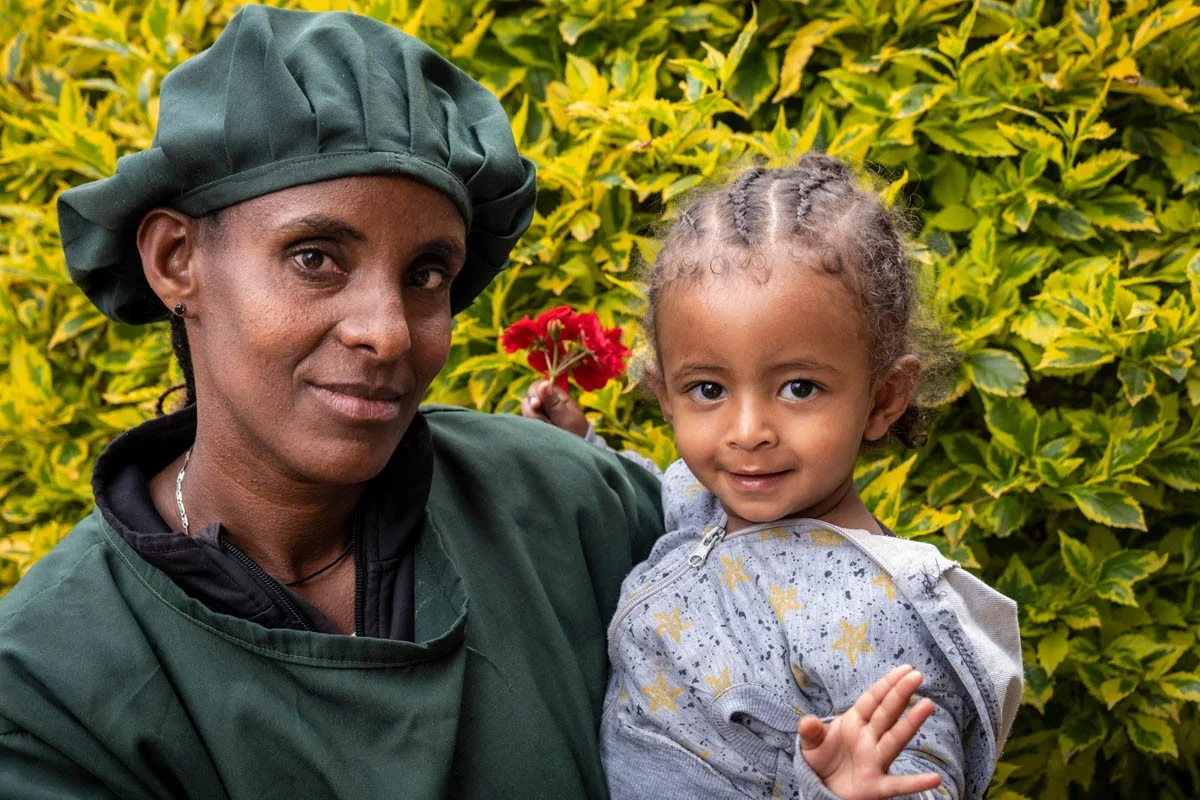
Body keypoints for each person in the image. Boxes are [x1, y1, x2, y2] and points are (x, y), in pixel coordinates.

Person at [0, 8, 934, 799]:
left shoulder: (565, 506)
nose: (389, 332)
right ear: (177, 262)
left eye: (427, 273)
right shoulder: (56, 682)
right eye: (315, 258)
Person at [522, 155, 1024, 799]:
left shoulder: (876, 609)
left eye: (798, 387)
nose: (748, 430)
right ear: (665, 395)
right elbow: (662, 497)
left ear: (883, 398)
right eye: (708, 388)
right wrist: (584, 447)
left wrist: (845, 791)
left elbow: (920, 770)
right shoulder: (717, 496)